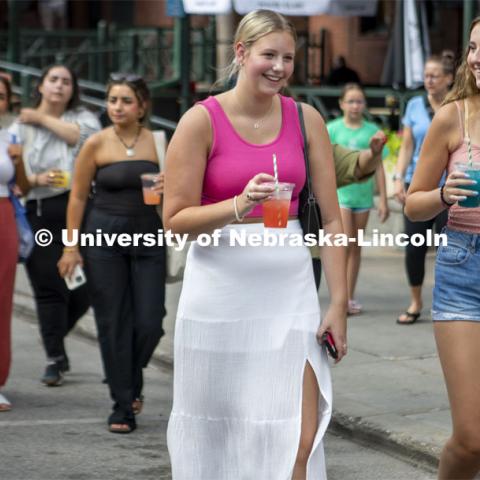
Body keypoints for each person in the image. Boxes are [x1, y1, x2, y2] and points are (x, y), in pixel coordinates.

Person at [164, 10, 347, 480]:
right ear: (241, 52)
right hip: (218, 302)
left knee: (295, 440)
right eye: (269, 55)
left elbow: (330, 219)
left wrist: (339, 304)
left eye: (288, 57)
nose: (280, 67)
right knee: (221, 439)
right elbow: (175, 222)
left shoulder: (306, 119)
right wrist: (238, 204)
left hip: (290, 297)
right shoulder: (199, 121)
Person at [58, 74, 166, 434]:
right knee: (113, 320)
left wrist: (170, 189)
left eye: (125, 100)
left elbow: (174, 197)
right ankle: (123, 405)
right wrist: (71, 245)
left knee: (151, 320)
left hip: (149, 236)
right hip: (103, 237)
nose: (117, 107)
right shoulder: (96, 143)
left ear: (142, 106)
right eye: (112, 100)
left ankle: (129, 376)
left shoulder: (160, 143)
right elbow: (76, 197)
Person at [405, 17, 480, 480]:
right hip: (463, 268)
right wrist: (444, 195)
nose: (476, 59)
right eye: (473, 48)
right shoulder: (453, 116)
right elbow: (414, 205)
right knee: (472, 438)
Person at [8, 64, 101, 386]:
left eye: (66, 81)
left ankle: (54, 334)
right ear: (41, 85)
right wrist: (35, 178)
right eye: (53, 80)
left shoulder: (84, 117)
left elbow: (84, 137)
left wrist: (43, 117)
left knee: (86, 286)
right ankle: (54, 357)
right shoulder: (20, 126)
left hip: (80, 207)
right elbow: (16, 174)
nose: (59, 86)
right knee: (49, 288)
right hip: (39, 208)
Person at [393, 53, 454, 324]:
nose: (428, 80)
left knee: (447, 248)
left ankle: (446, 300)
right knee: (414, 245)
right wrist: (398, 177)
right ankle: (415, 301)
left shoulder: (457, 106)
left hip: (449, 187)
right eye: (426, 75)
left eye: (434, 75)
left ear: (449, 79)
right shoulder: (414, 105)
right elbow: (407, 146)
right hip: (416, 184)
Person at [327, 83, 389, 314]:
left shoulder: (372, 130)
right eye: (350, 101)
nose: (355, 106)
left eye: (359, 101)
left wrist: (383, 199)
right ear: (342, 104)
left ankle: (350, 297)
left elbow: (379, 166)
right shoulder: (331, 129)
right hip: (340, 194)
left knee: (355, 247)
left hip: (363, 197)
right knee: (342, 245)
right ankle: (339, 297)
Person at [0, 76, 29, 412]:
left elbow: (23, 185)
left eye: (2, 96)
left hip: (5, 213)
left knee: (3, 297)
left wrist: (19, 160)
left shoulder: (10, 137)